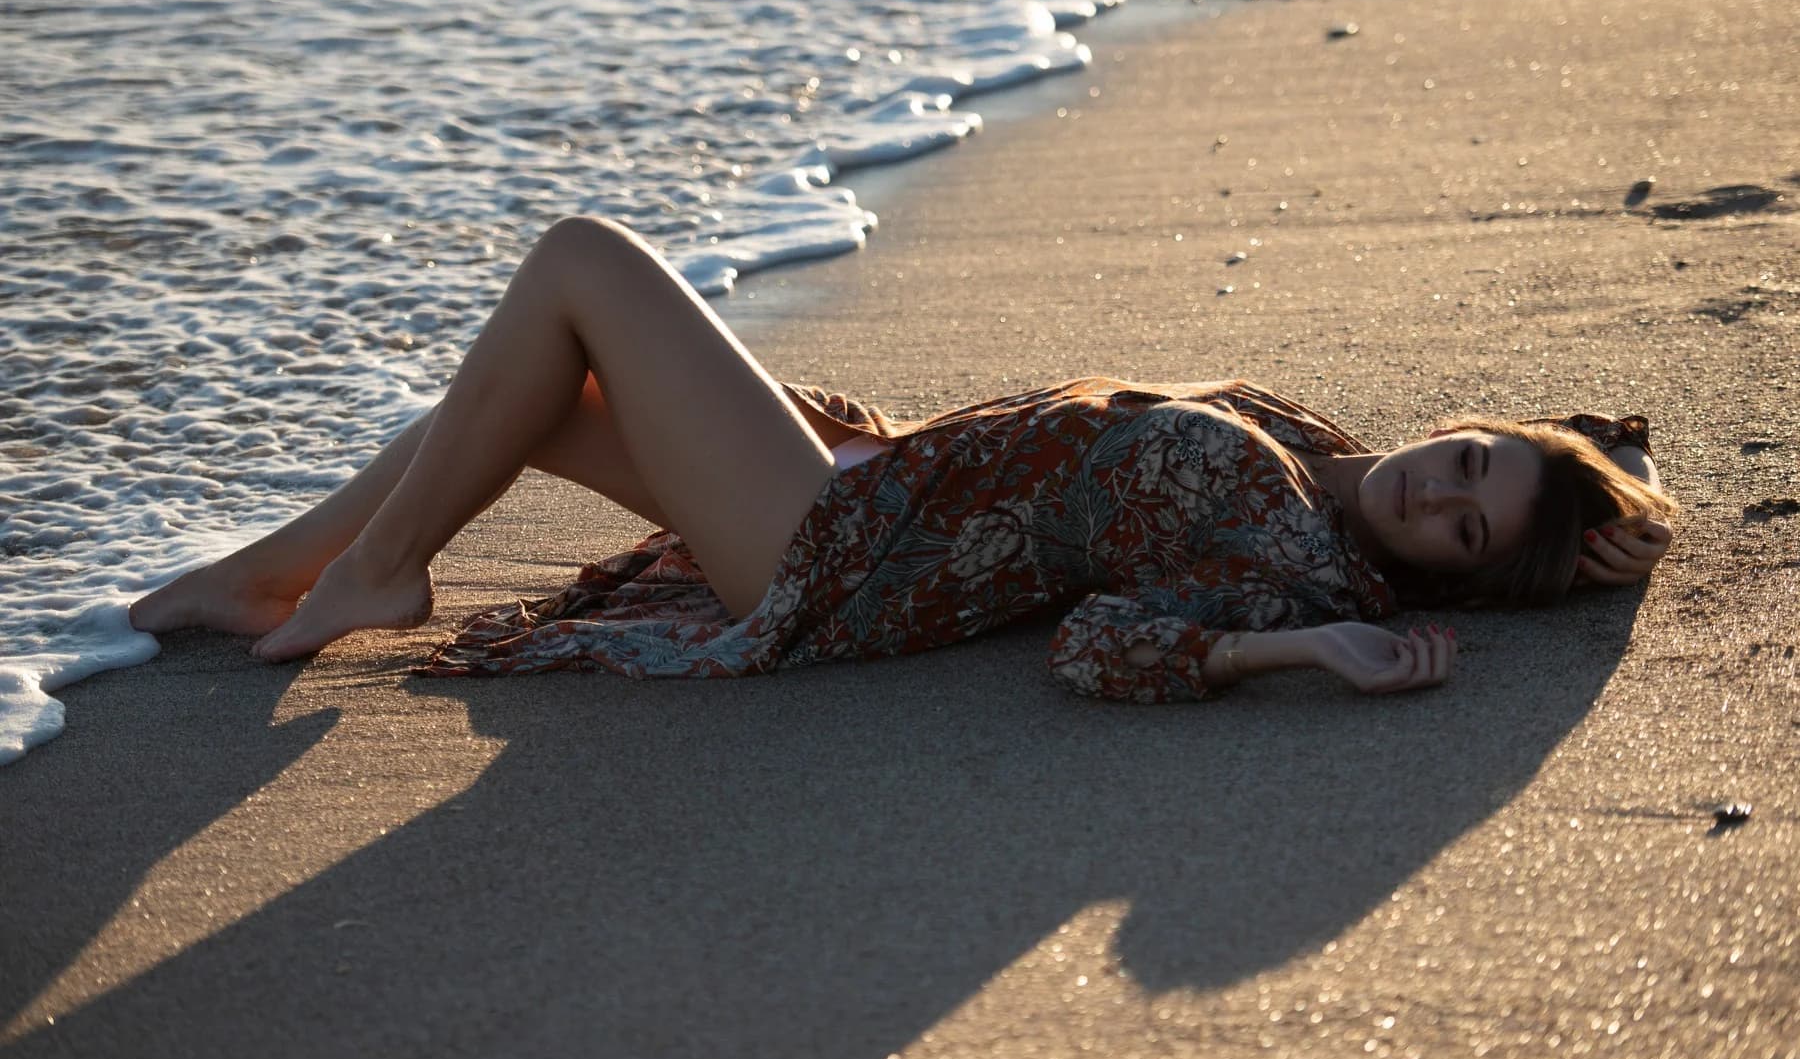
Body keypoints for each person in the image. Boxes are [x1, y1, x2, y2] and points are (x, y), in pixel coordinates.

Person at [129, 217, 1677, 702]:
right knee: (508, 403)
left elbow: (1097, 641)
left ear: (1444, 578)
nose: (1439, 489)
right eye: (1472, 456)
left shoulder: (1291, 555)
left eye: (1466, 530)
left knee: (583, 265)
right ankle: (278, 572)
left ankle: (381, 570)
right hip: (878, 478)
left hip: (835, 546)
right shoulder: (1322, 450)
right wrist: (1596, 466)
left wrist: (1309, 651)